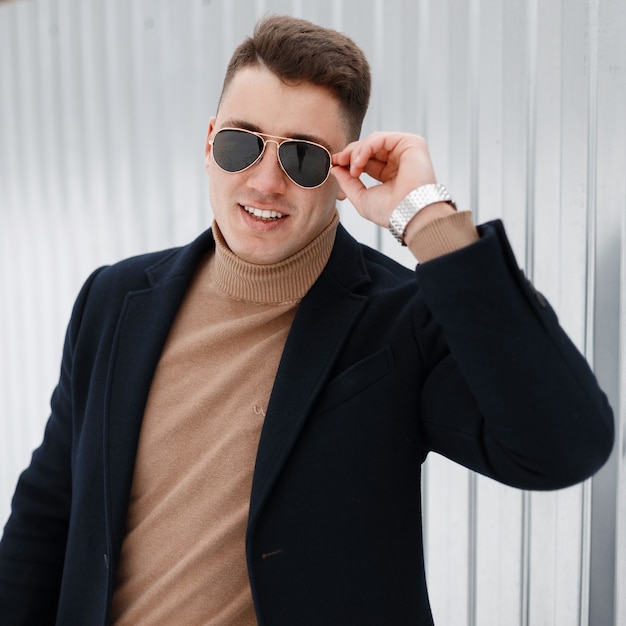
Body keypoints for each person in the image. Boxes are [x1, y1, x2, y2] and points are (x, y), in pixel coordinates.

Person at [0, 14, 614, 626]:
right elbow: (46, 519)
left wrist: (427, 221)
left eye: (303, 157)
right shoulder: (113, 300)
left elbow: (562, 447)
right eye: (242, 143)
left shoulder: (400, 324)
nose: (266, 181)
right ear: (210, 142)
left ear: (344, 175)